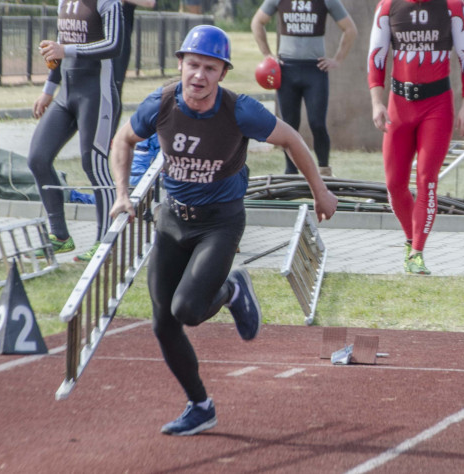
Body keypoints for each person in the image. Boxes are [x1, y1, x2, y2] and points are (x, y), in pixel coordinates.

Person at [108, 25, 338, 436]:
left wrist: (320, 192)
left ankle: (232, 289)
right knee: (163, 322)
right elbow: (122, 141)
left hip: (220, 222)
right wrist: (121, 195)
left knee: (188, 310)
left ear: (222, 73)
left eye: (210, 68)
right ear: (180, 64)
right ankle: (200, 405)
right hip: (173, 218)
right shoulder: (160, 103)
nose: (199, 76)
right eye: (193, 65)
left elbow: (292, 140)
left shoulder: (239, 110)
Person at [368, 0, 464, 275]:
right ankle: (409, 240)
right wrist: (376, 101)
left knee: (427, 179)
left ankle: (417, 252)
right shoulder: (387, 7)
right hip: (399, 105)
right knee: (394, 183)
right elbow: (376, 57)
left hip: (436, 107)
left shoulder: (452, 6)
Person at [27, 0, 122, 262]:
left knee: (93, 164)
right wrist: (48, 90)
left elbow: (113, 45)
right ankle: (60, 236)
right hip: (67, 94)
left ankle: (106, 241)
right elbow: (59, 49)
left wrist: (66, 50)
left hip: (97, 95)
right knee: (37, 158)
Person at [251, 0, 357, 177]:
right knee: (288, 126)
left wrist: (337, 59)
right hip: (286, 70)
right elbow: (257, 22)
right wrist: (268, 55)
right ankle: (291, 173)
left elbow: (350, 29)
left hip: (314, 71)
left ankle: (324, 170)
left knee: (318, 123)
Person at [99, 0, 156, 96]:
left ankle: (113, 118)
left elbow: (150, 1)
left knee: (115, 88)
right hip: (98, 42)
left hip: (120, 45)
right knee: (96, 86)